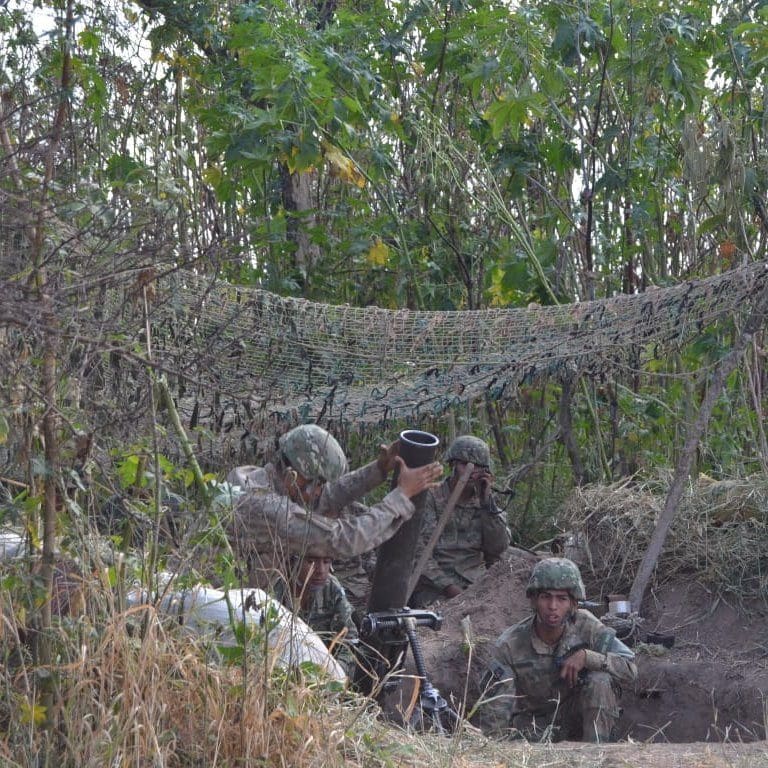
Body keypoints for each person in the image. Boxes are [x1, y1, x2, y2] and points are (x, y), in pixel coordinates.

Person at [225, 424, 442, 588]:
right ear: (293, 474)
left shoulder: (263, 479)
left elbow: (327, 496)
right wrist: (401, 496)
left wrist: (379, 469)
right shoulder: (268, 510)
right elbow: (341, 539)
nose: (319, 491)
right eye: (317, 483)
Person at [481, 557, 637, 743]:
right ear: (534, 601)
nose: (553, 607)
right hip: (534, 731)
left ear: (573, 603)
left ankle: (597, 752)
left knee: (600, 681)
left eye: (562, 599)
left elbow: (631, 670)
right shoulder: (510, 645)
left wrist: (588, 657)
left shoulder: (588, 627)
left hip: (581, 725)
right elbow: (495, 713)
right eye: (546, 597)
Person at [410, 435, 510, 606]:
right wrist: (449, 588)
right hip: (434, 587)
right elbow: (419, 553)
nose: (471, 471)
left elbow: (498, 548)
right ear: (453, 465)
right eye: (465, 465)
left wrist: (487, 504)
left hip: (475, 583)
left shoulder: (486, 503)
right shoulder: (431, 498)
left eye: (478, 467)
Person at [274, 554, 359, 675]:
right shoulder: (277, 590)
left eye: (326, 561)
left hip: (325, 671)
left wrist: (335, 672)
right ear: (294, 563)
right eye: (311, 562)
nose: (320, 571)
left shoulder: (331, 588)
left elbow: (350, 639)